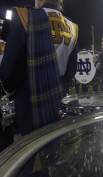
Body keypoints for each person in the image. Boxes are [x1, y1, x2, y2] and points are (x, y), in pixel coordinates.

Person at [0, 0, 78, 135]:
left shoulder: (25, 17)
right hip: (58, 101)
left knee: (32, 149)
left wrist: (9, 90)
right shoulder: (73, 27)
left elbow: (8, 74)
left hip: (30, 106)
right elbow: (71, 71)